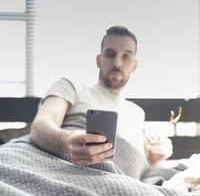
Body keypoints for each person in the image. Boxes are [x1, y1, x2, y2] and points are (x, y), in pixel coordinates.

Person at [30, 26, 172, 167]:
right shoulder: (71, 86)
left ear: (135, 66)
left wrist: (153, 160)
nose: (117, 63)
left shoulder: (137, 113)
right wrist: (68, 141)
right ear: (98, 60)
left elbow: (138, 167)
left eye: (126, 57)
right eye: (110, 54)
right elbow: (40, 126)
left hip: (124, 181)